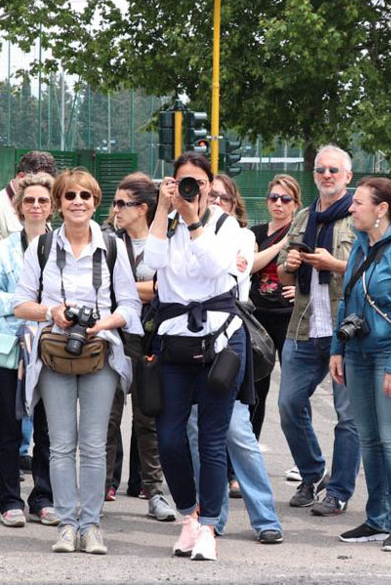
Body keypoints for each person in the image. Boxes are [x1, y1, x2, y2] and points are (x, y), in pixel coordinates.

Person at [12, 168, 142, 555]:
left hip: (100, 351)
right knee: (60, 444)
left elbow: (131, 305)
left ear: (95, 201)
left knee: (95, 444)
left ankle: (92, 525)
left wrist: (102, 323)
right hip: (53, 352)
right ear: (59, 203)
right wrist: (53, 312)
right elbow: (20, 304)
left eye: (85, 196)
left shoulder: (113, 247)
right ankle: (67, 525)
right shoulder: (42, 247)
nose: (78, 203)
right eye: (70, 196)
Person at [144, 152, 250, 562]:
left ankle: (209, 526)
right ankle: (189, 515)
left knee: (211, 437)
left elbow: (216, 269)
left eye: (198, 183)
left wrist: (192, 221)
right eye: (182, 182)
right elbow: (149, 265)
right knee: (169, 436)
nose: (191, 190)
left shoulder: (231, 229)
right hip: (173, 342)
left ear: (210, 186)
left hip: (220, 342)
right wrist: (162, 212)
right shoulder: (165, 224)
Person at [184, 173, 283, 544]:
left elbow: (227, 272)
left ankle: (266, 518)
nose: (215, 204)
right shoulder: (184, 232)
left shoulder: (241, 236)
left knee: (238, 430)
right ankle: (213, 516)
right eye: (211, 197)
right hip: (190, 339)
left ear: (233, 204)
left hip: (228, 339)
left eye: (223, 199)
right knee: (196, 430)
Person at [330, 177, 391, 552]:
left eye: (358, 204)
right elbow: (346, 297)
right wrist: (337, 348)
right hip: (357, 354)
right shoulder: (360, 245)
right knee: (368, 438)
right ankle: (377, 518)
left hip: (388, 355)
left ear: (381, 209)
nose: (352, 209)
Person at [276, 145, 359, 517]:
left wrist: (334, 264)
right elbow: (281, 271)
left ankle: (339, 491)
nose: (326, 175)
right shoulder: (304, 216)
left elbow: (370, 272)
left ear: (348, 177)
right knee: (289, 403)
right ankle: (312, 474)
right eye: (320, 170)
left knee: (348, 415)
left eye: (334, 170)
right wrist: (290, 263)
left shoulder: (361, 216)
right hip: (304, 326)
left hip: (345, 330)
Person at [0, 151, 57, 478]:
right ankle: (7, 457)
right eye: (31, 199)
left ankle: (40, 484)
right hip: (11, 330)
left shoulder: (57, 241)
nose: (37, 206)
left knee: (45, 422)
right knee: (8, 403)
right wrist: (14, 248)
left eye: (45, 197)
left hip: (47, 337)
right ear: (22, 178)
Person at [103, 173, 178, 522]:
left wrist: (127, 289)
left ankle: (155, 491)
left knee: (148, 419)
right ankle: (100, 488)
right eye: (115, 202)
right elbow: (105, 289)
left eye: (122, 203)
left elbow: (165, 288)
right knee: (108, 416)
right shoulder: (108, 243)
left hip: (153, 338)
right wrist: (140, 288)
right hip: (116, 338)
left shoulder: (163, 241)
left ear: (142, 208)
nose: (115, 209)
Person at [248, 174, 301, 438]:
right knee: (256, 389)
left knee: (292, 393)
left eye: (285, 199)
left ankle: (303, 460)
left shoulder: (302, 234)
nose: (278, 203)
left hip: (287, 316)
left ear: (295, 203)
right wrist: (281, 243)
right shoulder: (255, 233)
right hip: (258, 316)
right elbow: (251, 264)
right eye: (273, 198)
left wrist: (303, 290)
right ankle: (249, 452)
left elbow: (313, 267)